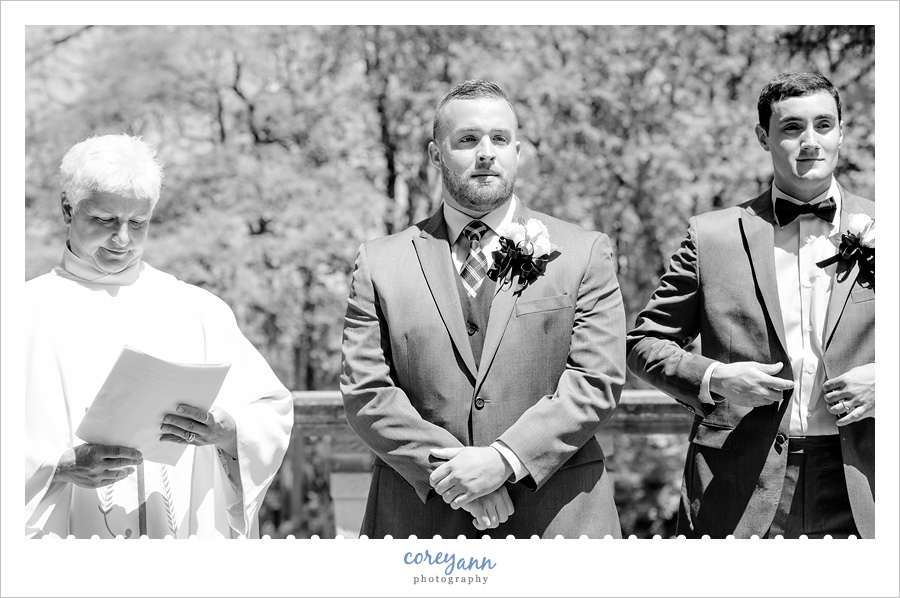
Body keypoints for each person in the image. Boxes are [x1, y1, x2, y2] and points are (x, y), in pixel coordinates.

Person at [340, 80, 626, 538]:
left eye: (500, 139)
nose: (486, 152)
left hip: (558, 520)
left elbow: (597, 379)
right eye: (468, 139)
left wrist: (504, 460)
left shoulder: (583, 252)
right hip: (421, 522)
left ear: (519, 150)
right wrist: (455, 476)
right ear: (436, 154)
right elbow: (366, 392)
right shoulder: (380, 262)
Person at [626, 72, 874, 538]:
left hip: (868, 485)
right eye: (791, 128)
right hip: (737, 487)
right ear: (764, 137)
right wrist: (715, 378)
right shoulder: (712, 236)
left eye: (824, 125)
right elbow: (643, 343)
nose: (810, 142)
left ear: (842, 131)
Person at [25, 134, 294, 538]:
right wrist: (58, 467)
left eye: (138, 223)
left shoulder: (198, 310)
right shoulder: (21, 313)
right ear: (68, 208)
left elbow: (270, 412)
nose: (122, 240)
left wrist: (226, 429)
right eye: (104, 220)